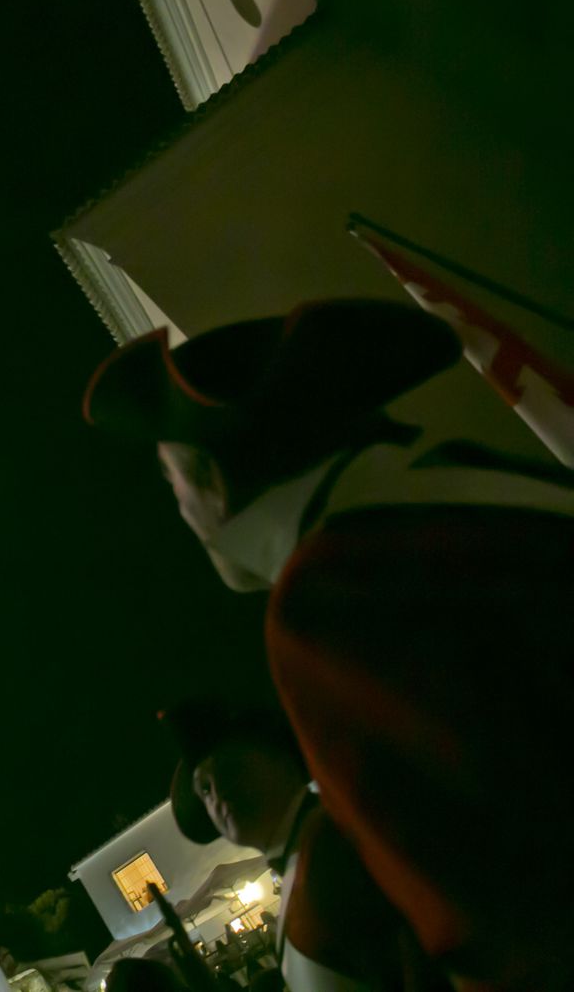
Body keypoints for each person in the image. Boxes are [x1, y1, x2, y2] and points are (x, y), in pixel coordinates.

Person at [85, 299, 574, 990]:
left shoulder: (340, 590)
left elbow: (506, 920)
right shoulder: (468, 491)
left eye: (173, 486)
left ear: (210, 481)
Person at [161, 698, 434, 991]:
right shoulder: (303, 857)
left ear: (279, 755)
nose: (217, 790)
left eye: (228, 767)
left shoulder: (335, 840)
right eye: (204, 789)